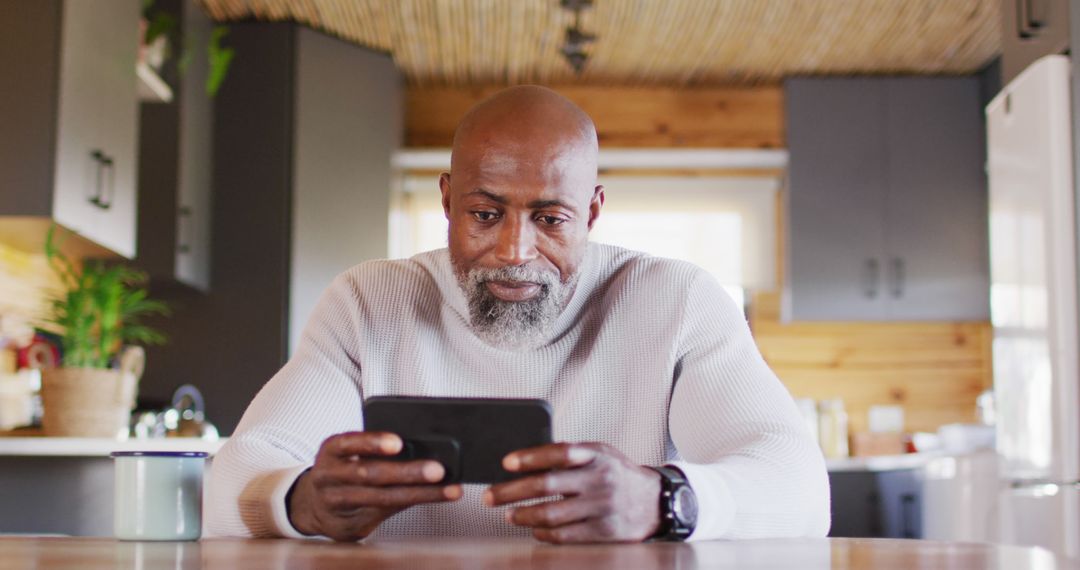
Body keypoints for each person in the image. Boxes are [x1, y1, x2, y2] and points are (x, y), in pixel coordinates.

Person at [206, 85, 830, 543]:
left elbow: (802, 490)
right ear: (447, 201)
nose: (513, 252)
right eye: (484, 214)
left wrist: (663, 499)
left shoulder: (679, 299)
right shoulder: (368, 301)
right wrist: (298, 500)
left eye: (550, 219)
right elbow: (231, 476)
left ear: (591, 213)